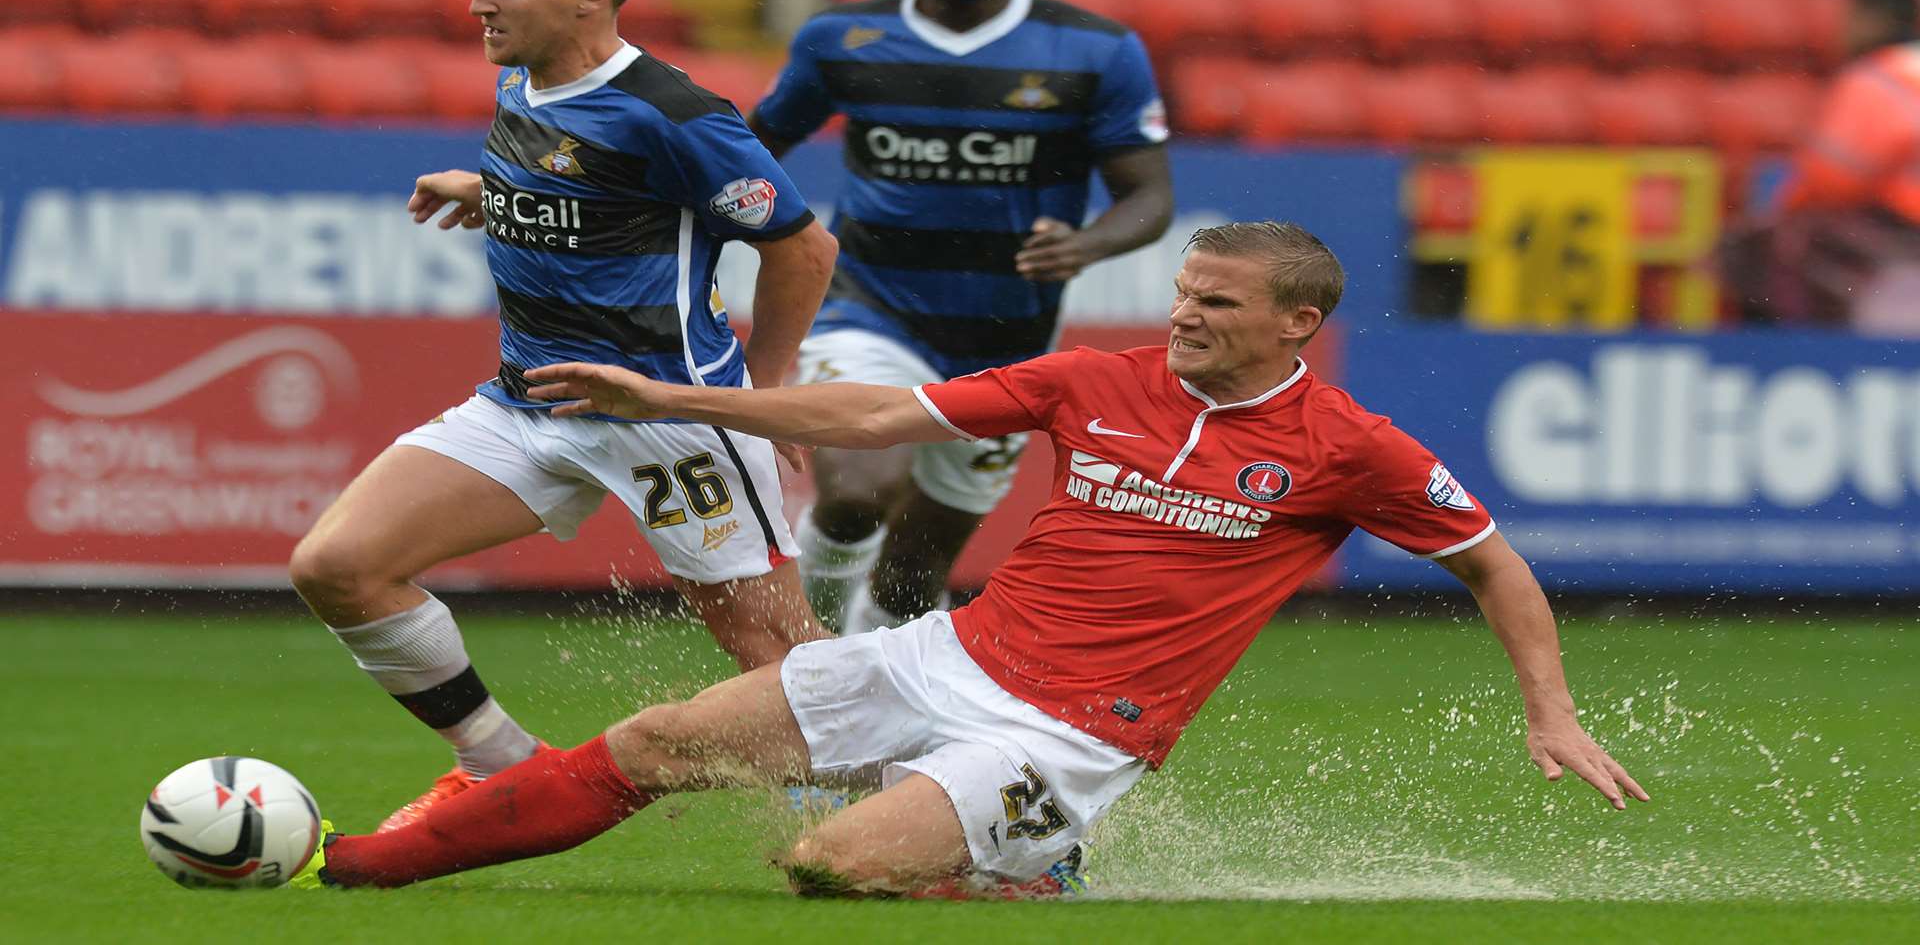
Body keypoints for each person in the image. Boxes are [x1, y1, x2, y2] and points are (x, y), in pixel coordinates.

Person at [293, 221, 1647, 897]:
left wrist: (1550, 708)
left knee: (827, 870)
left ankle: (1026, 855)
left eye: (1217, 307)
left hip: (1073, 730)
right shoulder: (1096, 377)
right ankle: (337, 872)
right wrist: (690, 402)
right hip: (946, 654)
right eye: (1181, 295)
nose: (1184, 319)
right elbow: (877, 413)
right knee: (653, 742)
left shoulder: (1355, 448)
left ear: (1296, 324)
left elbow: (1494, 564)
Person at [286, 0, 840, 833]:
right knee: (339, 565)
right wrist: (493, 190)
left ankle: (966, 817)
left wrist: (772, 394)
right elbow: (586, 184)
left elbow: (801, 248)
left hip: (669, 419)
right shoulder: (523, 81)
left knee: (780, 661)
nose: (477, 7)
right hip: (528, 402)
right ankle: (501, 767)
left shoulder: (675, 115)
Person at [746, 0, 1175, 633]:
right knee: (851, 496)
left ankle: (871, 690)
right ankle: (802, 666)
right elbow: (745, 151)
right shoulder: (841, 39)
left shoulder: (1095, 51)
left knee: (915, 578)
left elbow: (1148, 197)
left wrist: (1084, 245)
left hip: (1007, 342)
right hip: (871, 308)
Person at [1725, 0, 1920, 331]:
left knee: (1756, 249)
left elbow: (1832, 180)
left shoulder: (1873, 80)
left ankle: (1782, 361)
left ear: (1870, 19)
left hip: (1901, 230)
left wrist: (1788, 210)